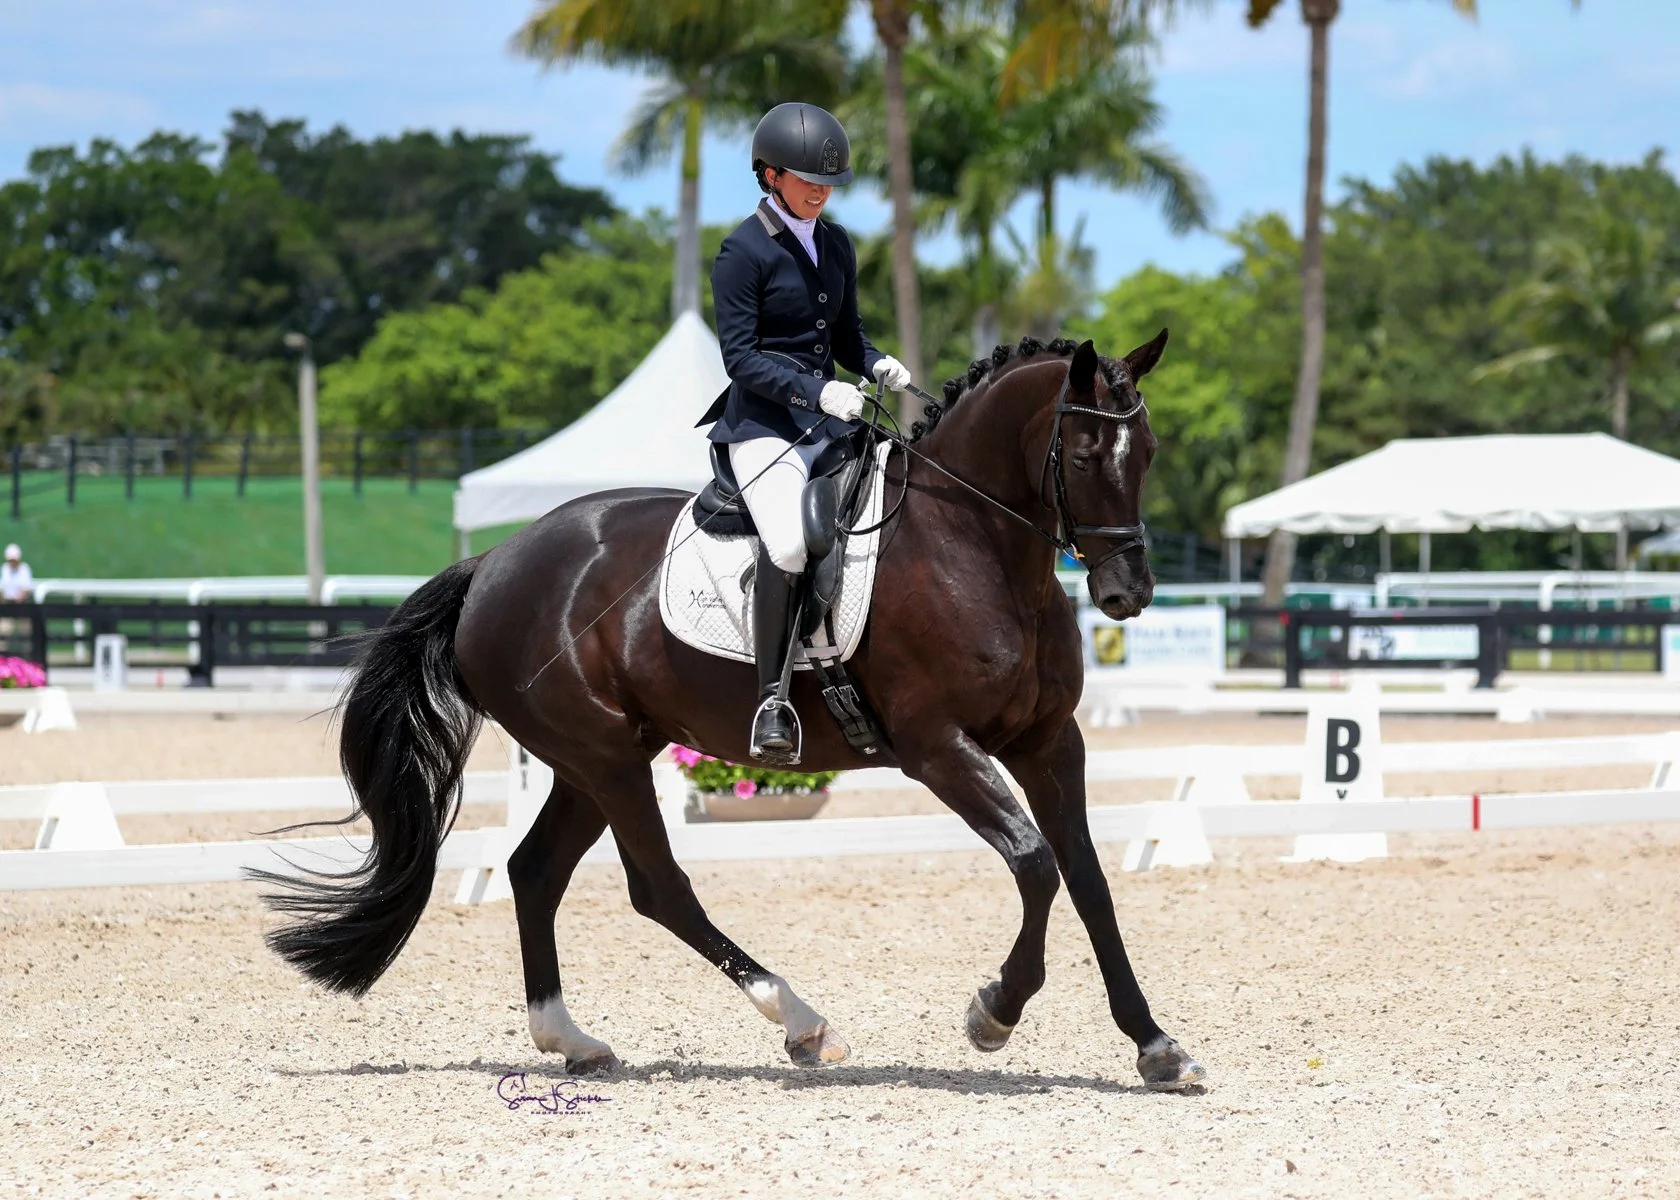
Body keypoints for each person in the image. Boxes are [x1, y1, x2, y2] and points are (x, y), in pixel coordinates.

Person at [702, 101, 913, 765]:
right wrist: (817, 389)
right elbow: (740, 358)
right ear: (769, 175)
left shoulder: (837, 243)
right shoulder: (743, 251)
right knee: (791, 544)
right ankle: (771, 699)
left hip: (831, 420)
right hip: (764, 425)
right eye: (804, 177)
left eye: (827, 180)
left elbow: (845, 335)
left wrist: (874, 361)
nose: (819, 189)